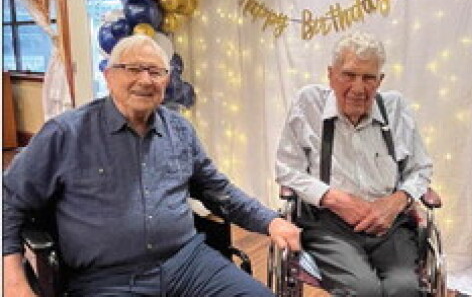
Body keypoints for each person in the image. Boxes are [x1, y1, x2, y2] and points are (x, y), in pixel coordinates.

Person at [3, 34, 301, 297]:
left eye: (155, 72)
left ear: (166, 82)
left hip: (188, 263)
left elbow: (218, 190)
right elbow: (9, 199)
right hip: (106, 280)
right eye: (133, 69)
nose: (145, 80)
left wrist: (270, 221)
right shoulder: (65, 134)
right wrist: (12, 280)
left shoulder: (180, 131)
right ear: (108, 76)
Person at [275, 32, 433, 296]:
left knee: (404, 288)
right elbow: (287, 168)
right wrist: (334, 199)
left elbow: (421, 168)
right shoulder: (307, 104)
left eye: (369, 78)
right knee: (363, 290)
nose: (358, 88)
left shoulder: (396, 108)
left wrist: (396, 201)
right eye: (349, 75)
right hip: (329, 223)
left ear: (380, 80)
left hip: (389, 224)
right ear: (331, 75)